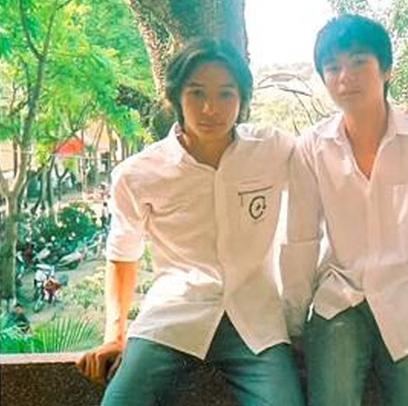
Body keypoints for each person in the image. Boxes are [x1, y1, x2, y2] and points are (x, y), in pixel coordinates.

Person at [76, 39, 304, 406]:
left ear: (242, 99)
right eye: (197, 93)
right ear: (176, 97)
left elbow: (332, 157)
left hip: (255, 321)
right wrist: (114, 335)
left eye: (226, 94)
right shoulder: (139, 173)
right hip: (173, 316)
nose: (211, 108)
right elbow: (122, 253)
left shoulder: (273, 150)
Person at [280, 14, 408, 406]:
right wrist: (294, 324)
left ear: (386, 69)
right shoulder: (311, 147)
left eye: (358, 62)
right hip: (341, 299)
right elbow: (301, 239)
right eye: (332, 67)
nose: (344, 77)